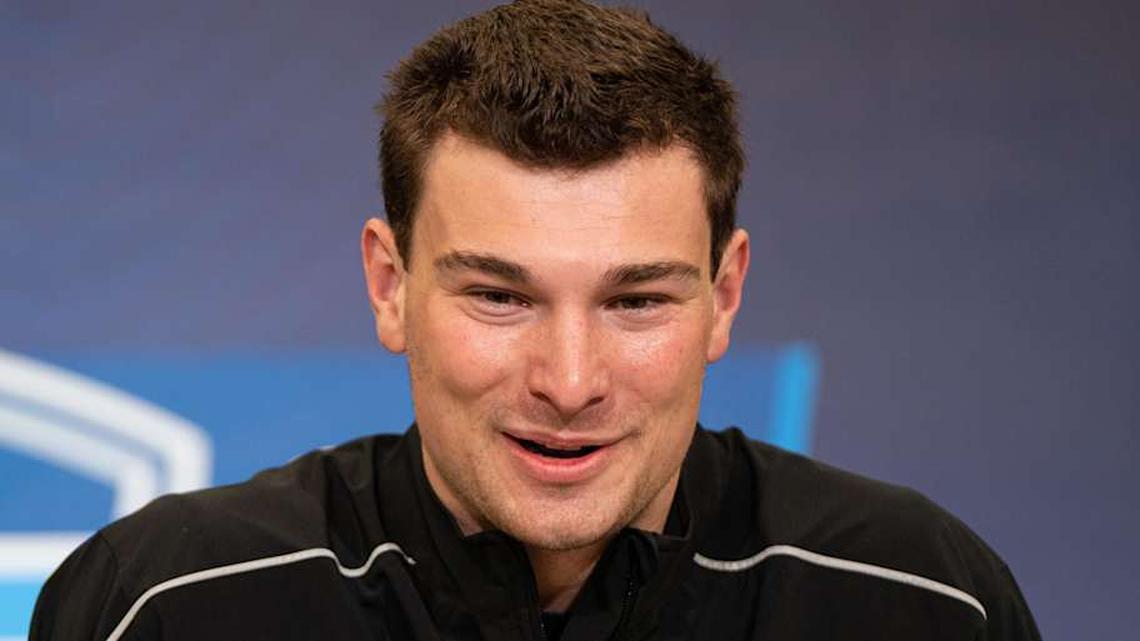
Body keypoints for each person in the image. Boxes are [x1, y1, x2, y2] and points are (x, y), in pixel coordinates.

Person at [30, 1, 1041, 639]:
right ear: (390, 284)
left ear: (724, 295)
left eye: (636, 300)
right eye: (500, 296)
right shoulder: (168, 604)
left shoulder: (920, 600)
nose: (569, 380)